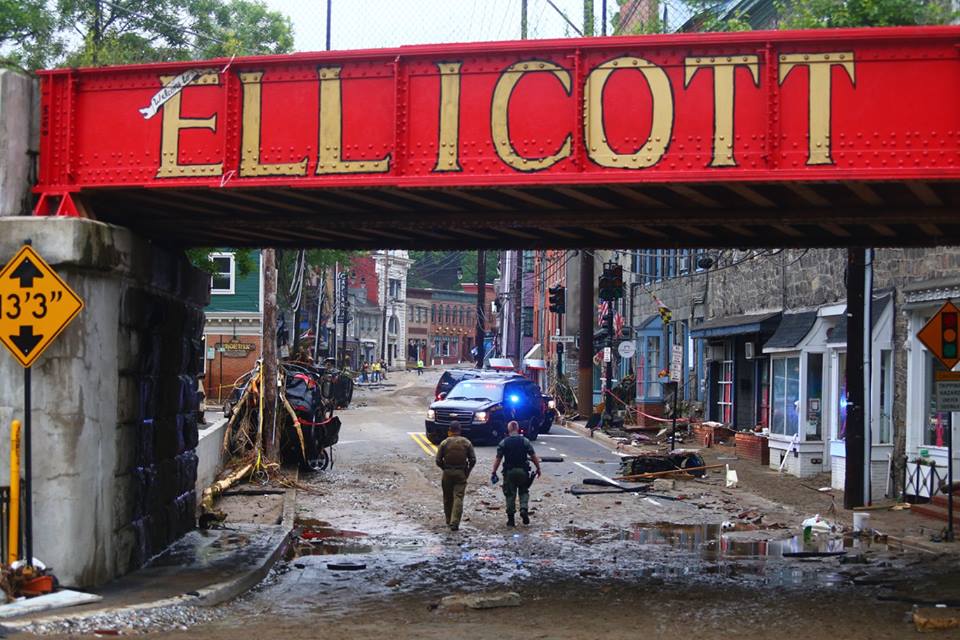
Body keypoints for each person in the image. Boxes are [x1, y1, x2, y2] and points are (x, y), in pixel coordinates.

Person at [490, 421, 542, 527]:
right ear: (517, 429)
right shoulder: (525, 441)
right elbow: (533, 456)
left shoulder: (504, 442)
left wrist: (494, 471)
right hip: (523, 472)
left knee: (510, 494)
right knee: (523, 492)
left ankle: (511, 520)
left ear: (508, 429)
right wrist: (538, 468)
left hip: (509, 472)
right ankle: (523, 509)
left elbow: (498, 459)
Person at [434, 421, 476, 532]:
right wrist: (467, 471)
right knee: (458, 497)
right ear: (459, 430)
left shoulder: (444, 443)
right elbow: (473, 460)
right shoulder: (466, 443)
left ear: (450, 430)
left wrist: (444, 468)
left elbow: (438, 460)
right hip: (461, 472)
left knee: (447, 498)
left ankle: (448, 520)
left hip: (447, 472)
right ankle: (455, 522)